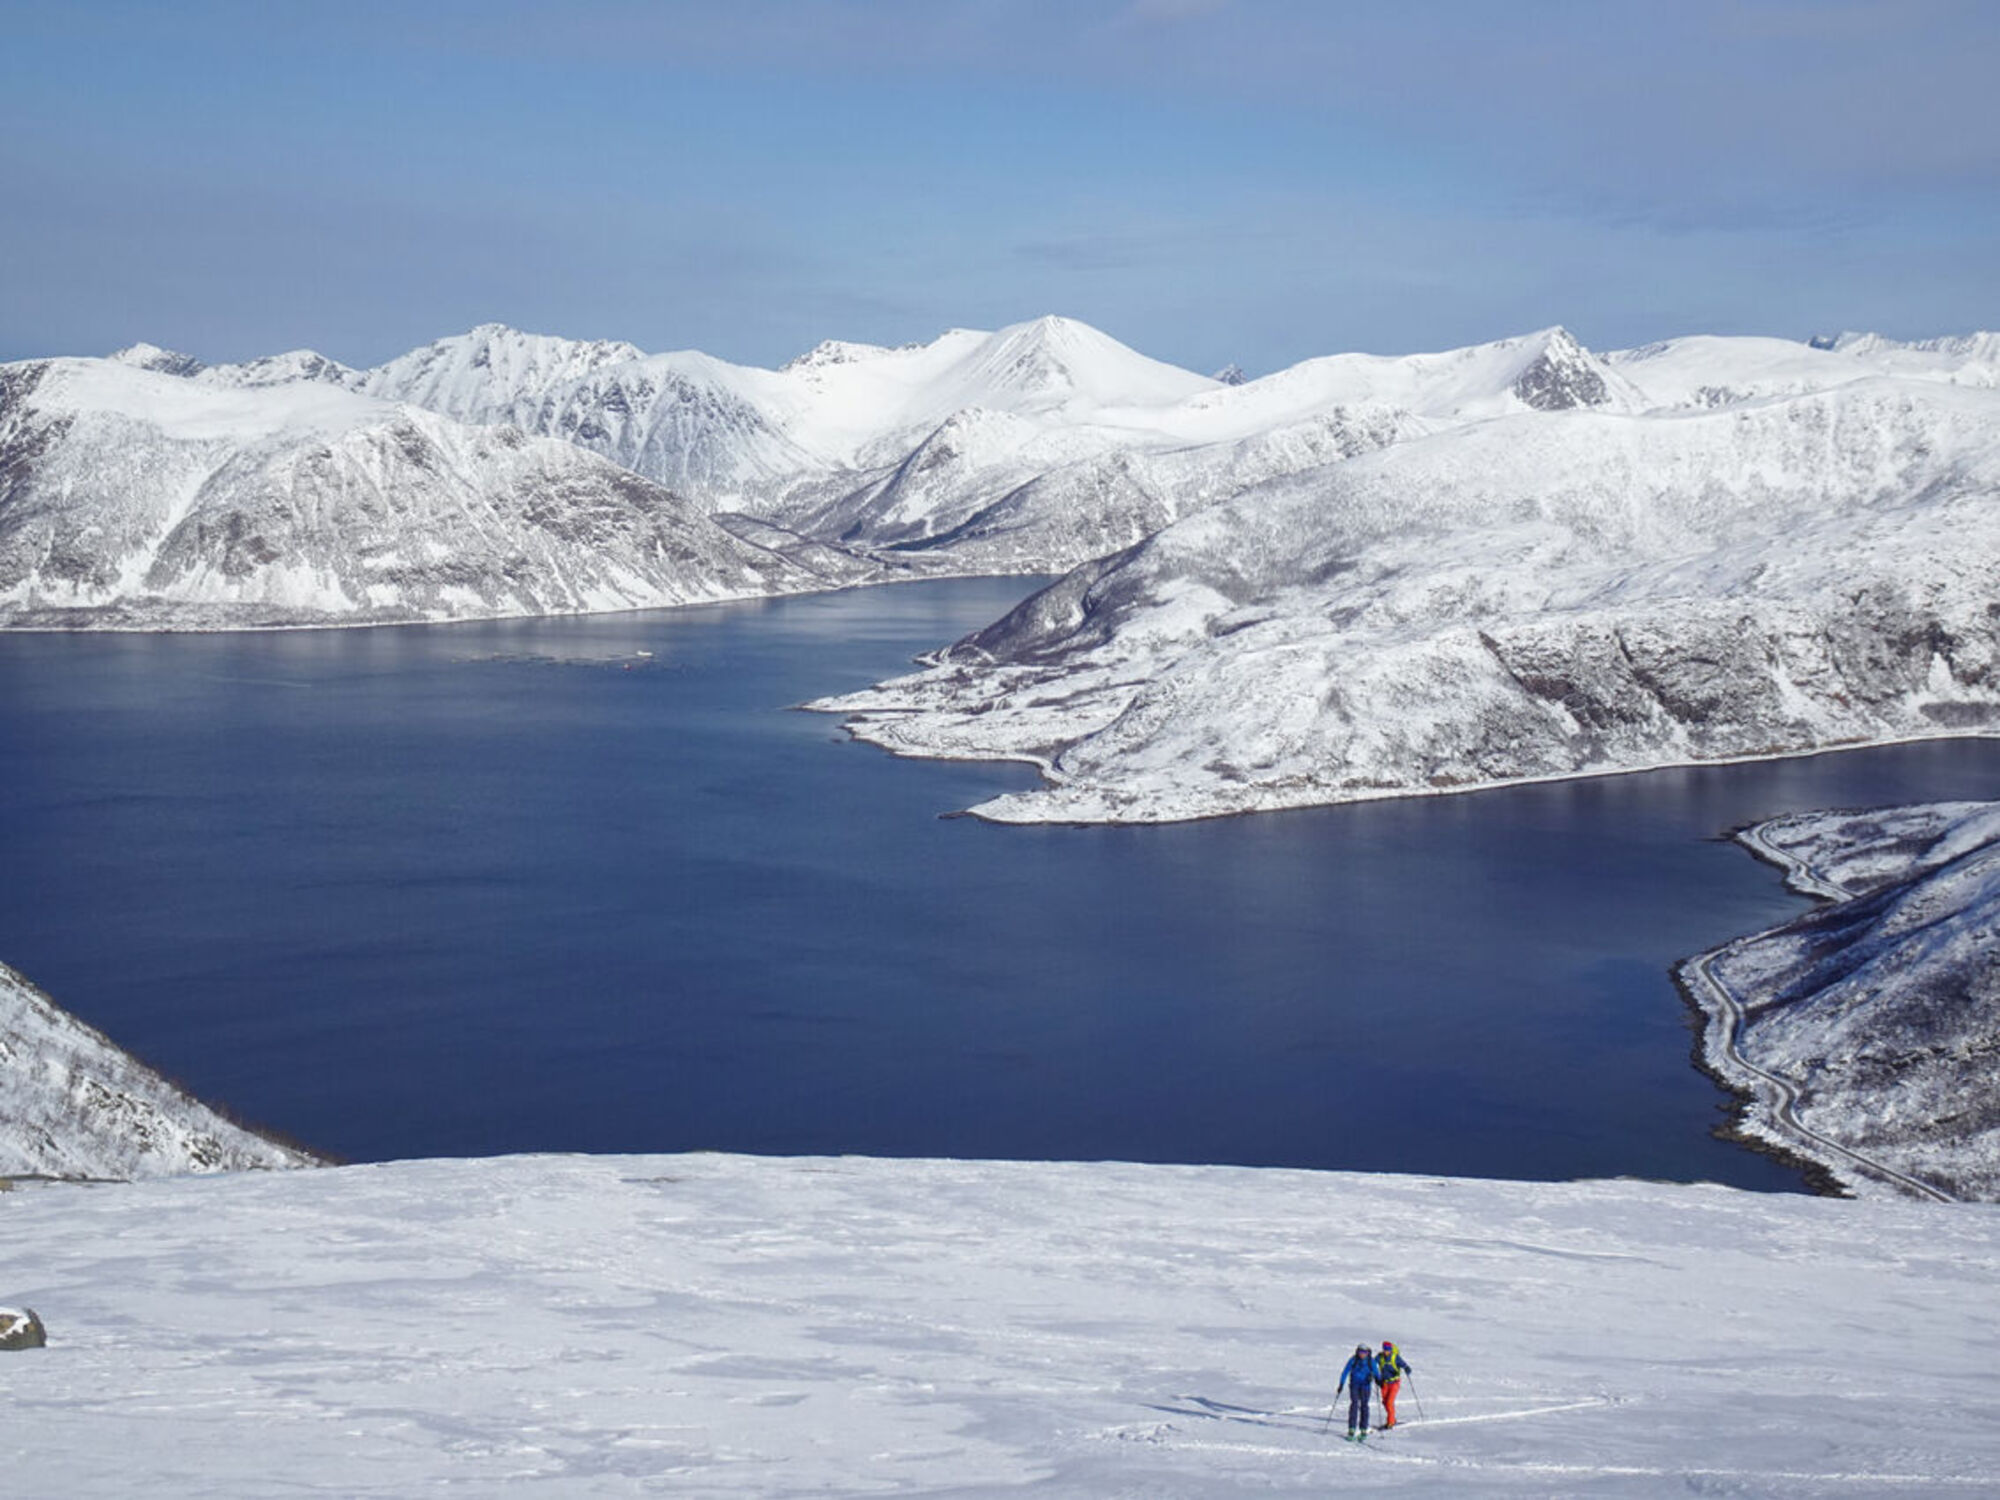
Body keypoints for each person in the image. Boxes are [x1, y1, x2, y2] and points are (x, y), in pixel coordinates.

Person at [1335, 1343, 1375, 1440]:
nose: (1362, 1354)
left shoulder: (1370, 1361)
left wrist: (1376, 1379)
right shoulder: (1353, 1360)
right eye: (1360, 1352)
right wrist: (1341, 1384)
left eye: (1364, 1352)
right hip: (1354, 1386)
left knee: (1364, 1406)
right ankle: (1352, 1428)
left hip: (1365, 1387)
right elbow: (1345, 1371)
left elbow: (1376, 1371)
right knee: (1354, 1405)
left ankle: (1363, 1428)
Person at [1375, 1340, 1412, 1428]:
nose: (1386, 1351)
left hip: (1394, 1383)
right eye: (1385, 1349)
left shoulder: (1395, 1357)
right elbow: (1372, 1363)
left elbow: (1404, 1365)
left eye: (1388, 1350)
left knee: (1389, 1402)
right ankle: (1392, 1418)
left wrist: (1407, 1369)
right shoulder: (1380, 1357)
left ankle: (1390, 1422)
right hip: (1384, 1383)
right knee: (1385, 1402)